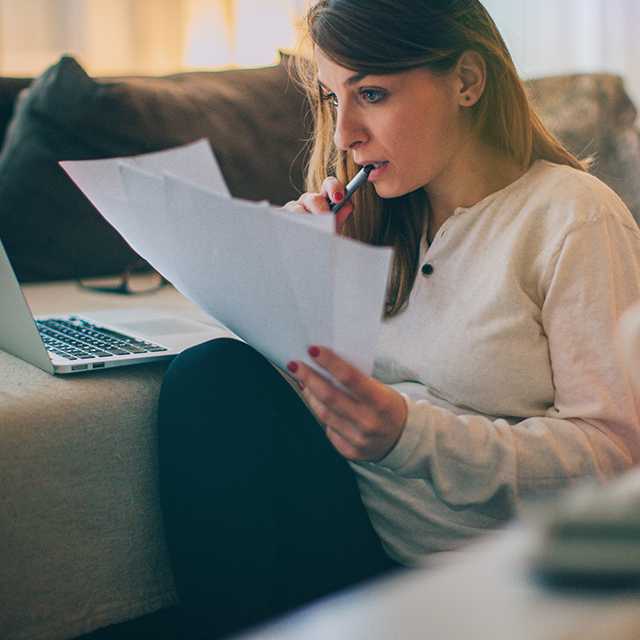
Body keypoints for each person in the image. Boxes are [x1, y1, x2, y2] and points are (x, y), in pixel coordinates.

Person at [155, 0, 640, 638]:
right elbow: (321, 396)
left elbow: (616, 456)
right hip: (359, 532)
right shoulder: (383, 215)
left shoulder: (573, 218)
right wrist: (300, 277)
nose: (346, 133)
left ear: (467, 81)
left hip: (479, 573)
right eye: (334, 99)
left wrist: (409, 436)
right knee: (209, 377)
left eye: (374, 93)